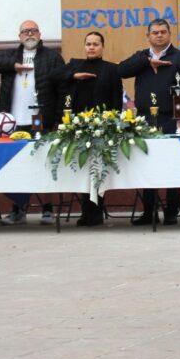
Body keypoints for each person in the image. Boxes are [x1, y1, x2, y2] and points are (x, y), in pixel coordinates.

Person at [0, 19, 64, 224]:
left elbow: (61, 89)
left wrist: (58, 120)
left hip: (41, 120)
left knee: (44, 164)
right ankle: (18, 210)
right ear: (20, 36)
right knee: (16, 167)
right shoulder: (11, 55)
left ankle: (47, 209)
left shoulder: (52, 57)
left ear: (39, 34)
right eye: (25, 31)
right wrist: (12, 65)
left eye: (33, 30)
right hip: (13, 121)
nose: (29, 34)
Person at [118, 18, 180, 226]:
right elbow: (120, 70)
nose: (159, 35)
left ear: (170, 34)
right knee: (148, 166)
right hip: (145, 119)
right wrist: (146, 61)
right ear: (148, 36)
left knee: (171, 165)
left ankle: (172, 210)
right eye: (155, 32)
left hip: (171, 119)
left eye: (163, 32)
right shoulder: (141, 58)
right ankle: (149, 211)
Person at [54, 31, 124, 227]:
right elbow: (54, 75)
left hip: (103, 128)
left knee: (99, 170)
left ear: (103, 46)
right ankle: (87, 213)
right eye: (88, 44)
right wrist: (73, 75)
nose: (91, 47)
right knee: (85, 168)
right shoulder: (75, 64)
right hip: (79, 127)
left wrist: (114, 123)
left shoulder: (111, 69)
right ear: (84, 46)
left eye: (95, 44)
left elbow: (116, 100)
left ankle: (97, 213)